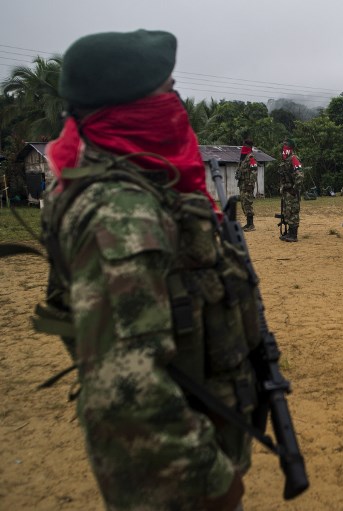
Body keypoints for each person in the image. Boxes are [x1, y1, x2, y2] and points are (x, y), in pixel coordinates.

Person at [42, 29, 254, 510]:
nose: (178, 104)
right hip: (175, 484)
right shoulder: (121, 211)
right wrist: (210, 482)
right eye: (168, 92)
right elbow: (127, 392)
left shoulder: (123, 178)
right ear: (131, 105)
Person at [277, 138, 304, 242]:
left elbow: (300, 175)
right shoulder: (285, 160)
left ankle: (294, 235)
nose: (284, 148)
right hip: (286, 191)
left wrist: (295, 188)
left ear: (291, 148)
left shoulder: (294, 158)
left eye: (286, 146)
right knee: (287, 212)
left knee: (293, 212)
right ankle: (289, 232)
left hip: (292, 191)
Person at [237, 140, 258, 231]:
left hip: (248, 184)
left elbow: (254, 171)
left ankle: (251, 225)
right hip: (242, 184)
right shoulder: (243, 158)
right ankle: (248, 223)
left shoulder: (251, 157)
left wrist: (250, 183)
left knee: (247, 203)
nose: (243, 146)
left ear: (249, 147)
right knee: (243, 203)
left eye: (245, 145)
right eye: (243, 145)